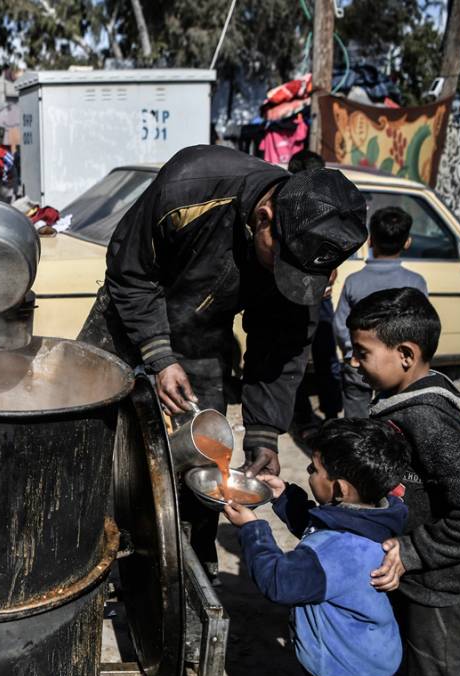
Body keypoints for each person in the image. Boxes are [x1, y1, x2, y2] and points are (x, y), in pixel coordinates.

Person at [77, 145, 368, 577]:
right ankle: (81, 550)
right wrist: (158, 354)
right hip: (126, 315)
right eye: (282, 265)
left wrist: (264, 434)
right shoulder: (190, 186)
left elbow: (282, 345)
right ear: (264, 219)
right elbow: (130, 272)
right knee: (88, 439)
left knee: (203, 459)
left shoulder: (306, 249)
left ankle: (186, 574)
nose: (285, 279)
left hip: (203, 338)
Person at [348, 287, 460, 676]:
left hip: (438, 589)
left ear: (406, 354)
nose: (353, 362)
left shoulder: (429, 421)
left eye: (362, 352)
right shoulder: (404, 401)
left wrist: (411, 551)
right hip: (414, 577)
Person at [223, 418, 409, 676]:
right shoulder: (374, 517)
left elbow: (279, 581)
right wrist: (284, 495)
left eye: (314, 469)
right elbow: (318, 527)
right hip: (366, 667)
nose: (309, 472)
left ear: (340, 489)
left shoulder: (339, 552)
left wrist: (251, 529)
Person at [333, 207, 427, 418]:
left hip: (359, 364)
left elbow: (340, 325)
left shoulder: (354, 281)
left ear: (369, 241)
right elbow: (421, 328)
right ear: (407, 242)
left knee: (356, 423)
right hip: (400, 368)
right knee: (398, 419)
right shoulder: (415, 282)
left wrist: (353, 353)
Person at [287, 150, 342, 427]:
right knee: (295, 358)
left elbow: (337, 252)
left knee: (323, 356)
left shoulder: (329, 206)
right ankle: (305, 416)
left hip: (318, 297)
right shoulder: (285, 209)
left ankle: (329, 416)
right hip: (293, 295)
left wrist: (329, 275)